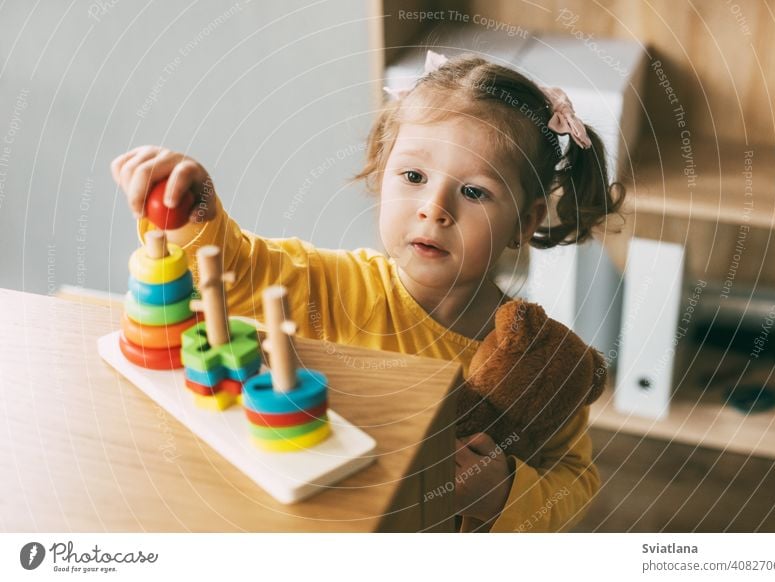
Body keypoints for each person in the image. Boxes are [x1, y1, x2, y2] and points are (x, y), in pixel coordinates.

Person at [111, 50, 625, 532]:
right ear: (383, 179)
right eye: (414, 176)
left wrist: (503, 493)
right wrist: (191, 209)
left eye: (474, 191)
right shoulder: (330, 286)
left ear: (524, 221)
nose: (434, 208)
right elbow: (235, 270)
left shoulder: (542, 362)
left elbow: (576, 480)